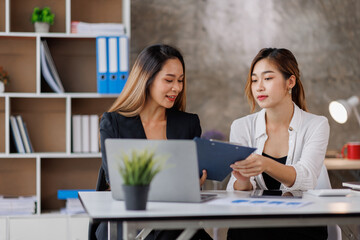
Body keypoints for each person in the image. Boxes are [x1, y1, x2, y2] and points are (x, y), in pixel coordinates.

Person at [95, 44, 211, 240]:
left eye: (181, 80)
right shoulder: (113, 123)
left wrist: (194, 184)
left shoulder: (188, 123)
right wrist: (178, 186)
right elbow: (117, 183)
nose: (177, 87)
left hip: (176, 220)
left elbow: (193, 179)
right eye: (169, 80)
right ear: (147, 79)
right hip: (130, 221)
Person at [226, 48, 329, 240]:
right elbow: (236, 192)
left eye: (268, 78)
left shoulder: (316, 124)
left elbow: (306, 178)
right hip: (254, 223)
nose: (259, 87)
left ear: (290, 82)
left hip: (302, 222)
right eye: (255, 80)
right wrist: (242, 180)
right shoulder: (241, 126)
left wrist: (265, 163)